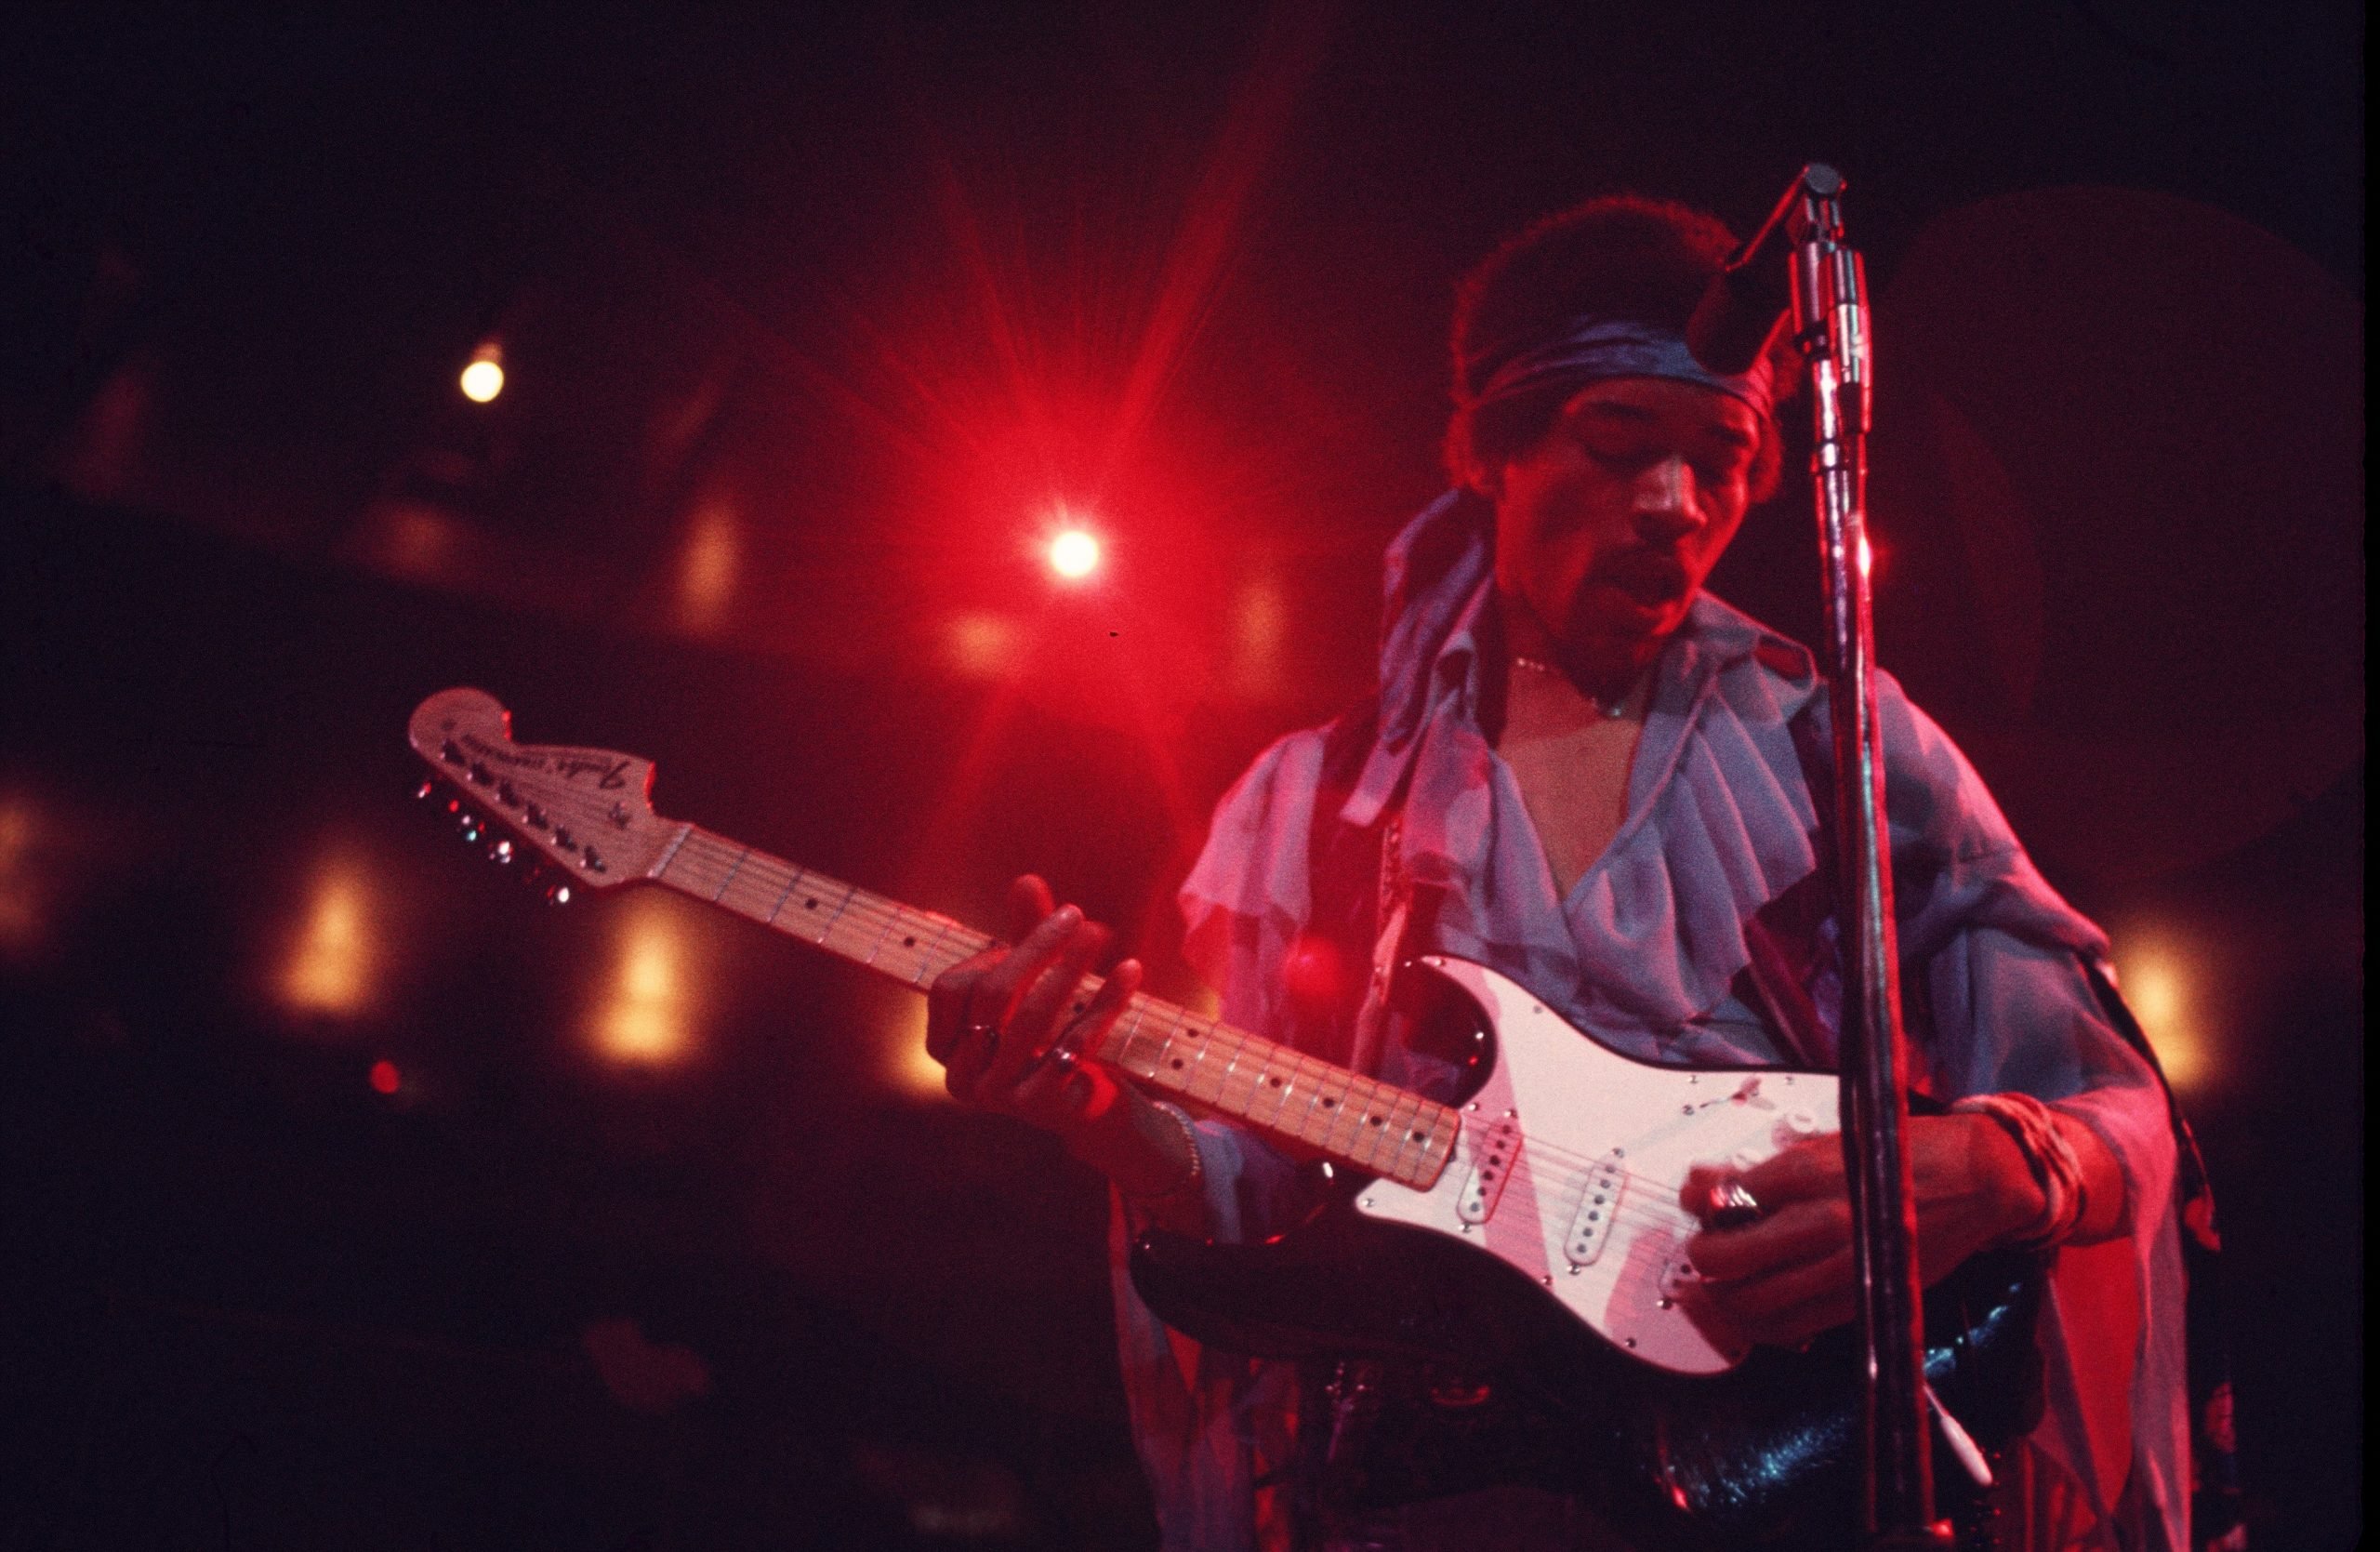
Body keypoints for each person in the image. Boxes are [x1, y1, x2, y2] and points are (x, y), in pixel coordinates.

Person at [925, 196, 2198, 1551]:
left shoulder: (1852, 749)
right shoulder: (1310, 807)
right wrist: (1104, 1107)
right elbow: (1269, 1205)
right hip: (1456, 1490)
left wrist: (1998, 1164)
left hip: (1799, 1468)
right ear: (1493, 452)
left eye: (1724, 454)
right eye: (1619, 442)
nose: (1676, 502)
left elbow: (2116, 1098)